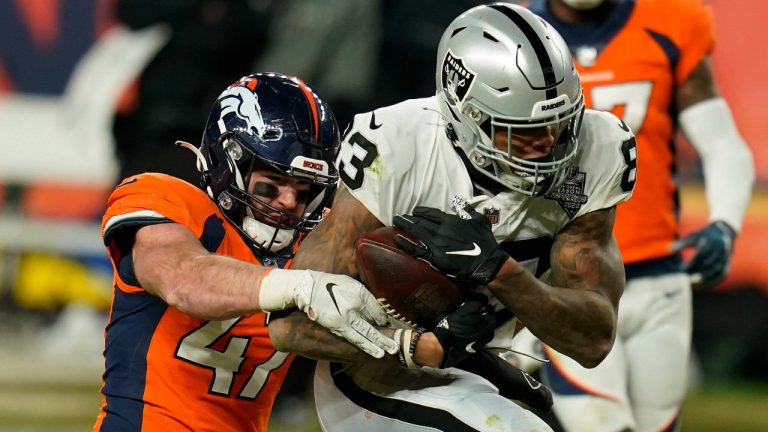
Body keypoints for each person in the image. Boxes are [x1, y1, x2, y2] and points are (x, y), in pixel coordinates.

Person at [269, 3, 637, 430]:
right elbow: (290, 324)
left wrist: (499, 273)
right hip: (380, 377)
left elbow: (592, 339)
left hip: (477, 362)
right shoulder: (396, 147)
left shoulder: (598, 149)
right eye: (522, 132)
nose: (548, 145)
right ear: (467, 116)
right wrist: (420, 346)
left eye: (560, 124)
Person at [92, 73, 402, 431]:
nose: (288, 202)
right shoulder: (167, 200)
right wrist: (298, 286)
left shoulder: (315, 247)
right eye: (272, 185)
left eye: (304, 192)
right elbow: (182, 277)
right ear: (229, 163)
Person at [520, 1, 756, 431]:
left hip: (657, 278)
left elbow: (722, 144)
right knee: (602, 425)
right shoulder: (515, 37)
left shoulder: (671, 23)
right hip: (567, 276)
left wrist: (725, 223)